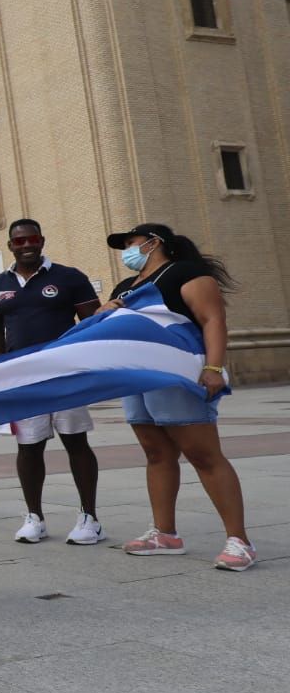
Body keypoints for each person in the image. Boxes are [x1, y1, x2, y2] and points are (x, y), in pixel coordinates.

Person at [104, 224, 254, 570]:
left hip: (177, 373)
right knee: (156, 453)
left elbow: (212, 318)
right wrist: (106, 311)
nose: (126, 250)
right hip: (138, 377)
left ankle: (240, 541)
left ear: (154, 242)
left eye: (131, 242)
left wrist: (214, 367)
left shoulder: (185, 273)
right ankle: (165, 534)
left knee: (203, 454)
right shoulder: (126, 288)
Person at [0, 218, 104, 545]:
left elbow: (93, 323)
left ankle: (89, 517)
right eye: (19, 242)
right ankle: (34, 517)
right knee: (29, 446)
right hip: (24, 378)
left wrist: (84, 364)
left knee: (75, 442)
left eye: (31, 239)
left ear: (42, 241)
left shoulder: (69, 277)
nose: (26, 246)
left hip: (65, 375)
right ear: (10, 246)